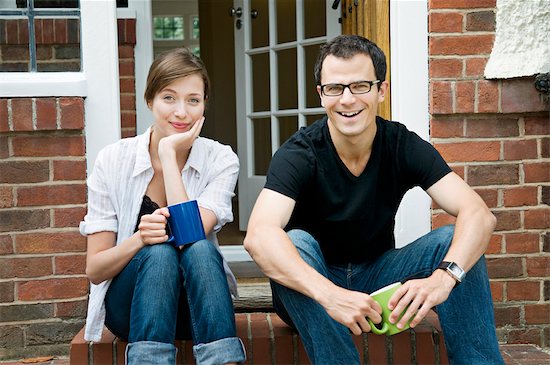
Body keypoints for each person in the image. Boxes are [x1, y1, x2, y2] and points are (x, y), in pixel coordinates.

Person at [244, 35, 504, 365]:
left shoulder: (401, 144)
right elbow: (259, 235)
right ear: (321, 95)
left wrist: (444, 278)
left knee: (454, 238)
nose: (347, 100)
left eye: (360, 86)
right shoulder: (300, 153)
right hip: (311, 289)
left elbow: (479, 214)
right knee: (294, 242)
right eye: (335, 88)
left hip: (379, 279)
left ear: (381, 90)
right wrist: (331, 296)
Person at [80, 47, 246, 365]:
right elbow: (95, 270)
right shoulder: (113, 160)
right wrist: (139, 239)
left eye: (193, 100)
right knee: (157, 252)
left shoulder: (221, 159)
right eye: (169, 98)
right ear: (149, 100)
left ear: (204, 105)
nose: (181, 112)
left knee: (198, 248)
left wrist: (169, 155)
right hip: (130, 308)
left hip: (198, 307)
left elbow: (188, 234)